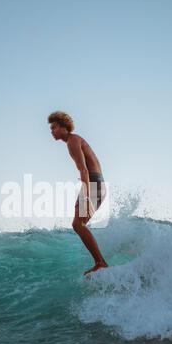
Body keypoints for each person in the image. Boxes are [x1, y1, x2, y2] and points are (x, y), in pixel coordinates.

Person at [48, 111, 109, 275]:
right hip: (97, 183)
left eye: (54, 127)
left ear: (63, 127)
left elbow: (83, 170)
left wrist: (87, 196)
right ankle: (100, 262)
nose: (51, 131)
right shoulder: (75, 140)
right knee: (79, 225)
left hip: (93, 183)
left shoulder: (73, 141)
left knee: (77, 224)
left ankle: (100, 262)